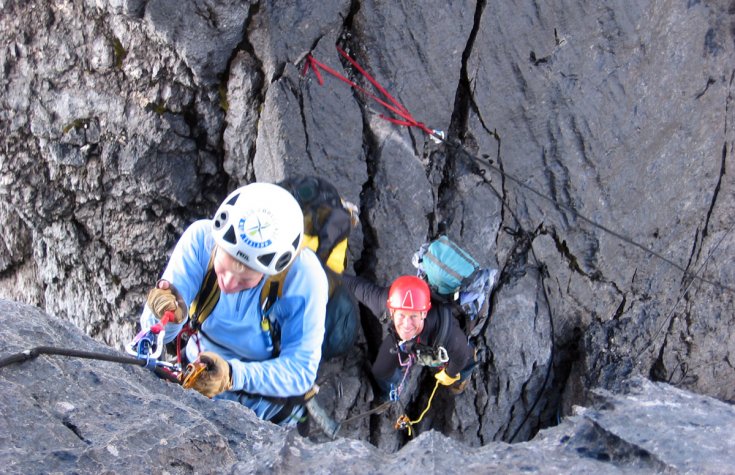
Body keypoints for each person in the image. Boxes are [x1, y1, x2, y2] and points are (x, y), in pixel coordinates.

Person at [139, 182, 329, 426]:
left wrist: (232, 375)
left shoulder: (303, 277)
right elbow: (155, 337)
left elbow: (301, 372)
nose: (228, 284)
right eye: (224, 267)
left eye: (246, 279)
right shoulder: (201, 241)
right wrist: (164, 315)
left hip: (264, 409)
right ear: (217, 244)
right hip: (193, 378)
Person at [342, 273, 475, 401]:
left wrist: (450, 374)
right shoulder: (382, 303)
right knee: (381, 371)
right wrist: (326, 272)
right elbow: (356, 286)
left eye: (413, 316)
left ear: (424, 314)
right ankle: (391, 392)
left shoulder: (448, 335)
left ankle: (463, 377)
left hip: (441, 343)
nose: (406, 324)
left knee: (466, 360)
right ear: (392, 311)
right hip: (406, 343)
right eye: (401, 315)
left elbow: (461, 356)